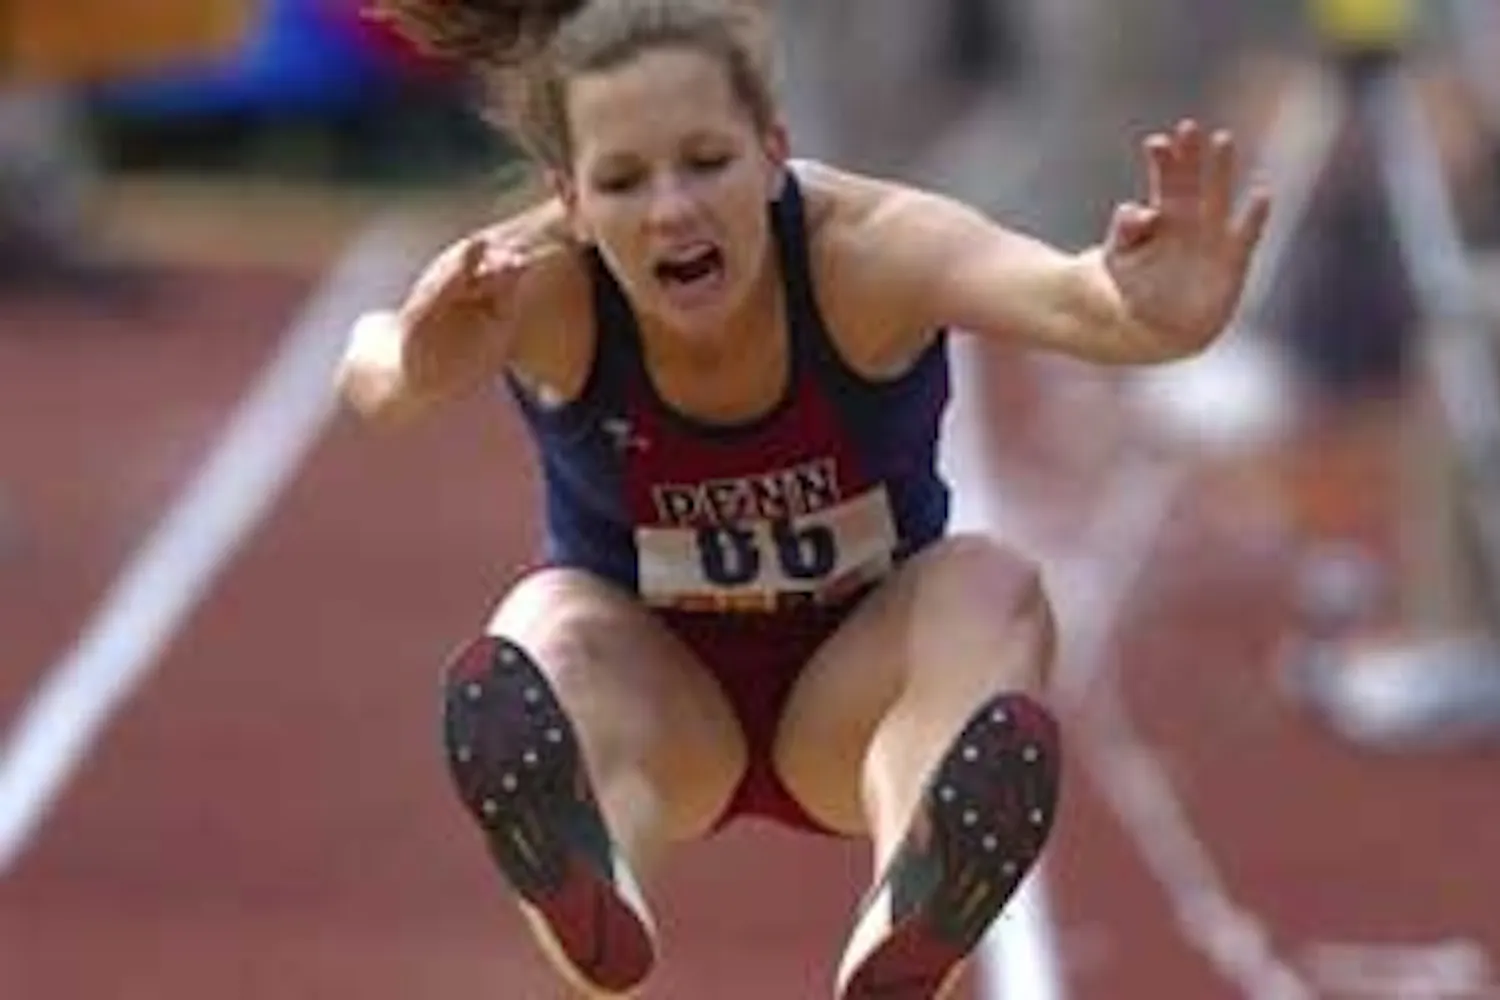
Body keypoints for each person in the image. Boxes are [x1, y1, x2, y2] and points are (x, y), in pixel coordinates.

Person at [335, 0, 1270, 995]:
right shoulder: (530, 284)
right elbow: (373, 361)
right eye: (623, 180)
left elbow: (1076, 298)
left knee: (990, 585)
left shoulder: (869, 254)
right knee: (540, 630)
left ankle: (911, 914)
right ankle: (591, 864)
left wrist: (1153, 315)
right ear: (570, 199)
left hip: (856, 689)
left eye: (705, 161)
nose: (671, 211)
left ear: (773, 150)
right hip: (657, 697)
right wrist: (416, 360)